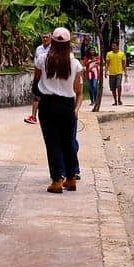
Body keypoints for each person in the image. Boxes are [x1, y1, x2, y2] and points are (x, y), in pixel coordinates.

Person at [33, 27, 83, 193]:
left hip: (48, 104)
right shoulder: (75, 63)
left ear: (52, 42)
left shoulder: (42, 59)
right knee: (68, 142)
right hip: (67, 105)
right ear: (68, 44)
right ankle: (71, 178)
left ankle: (57, 180)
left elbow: (36, 81)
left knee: (52, 142)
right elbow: (77, 88)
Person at [24, 32, 53, 124]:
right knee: (36, 96)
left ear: (50, 38)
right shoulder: (38, 49)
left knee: (49, 97)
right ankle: (33, 116)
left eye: (47, 37)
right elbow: (36, 64)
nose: (45, 39)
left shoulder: (53, 49)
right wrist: (36, 78)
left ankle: (50, 117)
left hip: (50, 77)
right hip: (39, 76)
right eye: (43, 37)